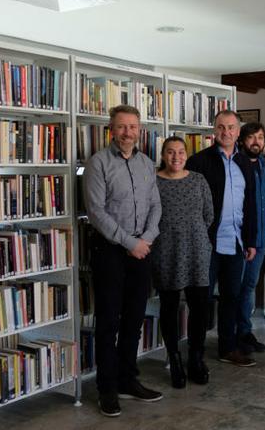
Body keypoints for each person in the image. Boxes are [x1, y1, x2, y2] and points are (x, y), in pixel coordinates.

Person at [83, 105, 163, 417]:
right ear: (111, 130)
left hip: (142, 249)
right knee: (108, 322)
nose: (127, 132)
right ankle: (107, 389)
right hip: (111, 252)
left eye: (132, 127)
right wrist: (130, 243)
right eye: (121, 127)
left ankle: (128, 380)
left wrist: (147, 239)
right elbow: (96, 212)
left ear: (139, 130)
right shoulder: (98, 163)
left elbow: (156, 205)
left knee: (134, 319)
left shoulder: (146, 163)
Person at [186, 110, 258, 367]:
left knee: (232, 297)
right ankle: (195, 352)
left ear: (238, 132)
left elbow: (250, 203)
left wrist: (251, 240)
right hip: (207, 244)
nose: (226, 132)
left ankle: (227, 348)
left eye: (231, 127)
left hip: (236, 241)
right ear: (214, 131)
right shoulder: (198, 162)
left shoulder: (246, 164)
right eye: (221, 127)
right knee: (200, 299)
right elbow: (190, 205)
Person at [151, 137, 213, 389]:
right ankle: (174, 359)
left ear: (186, 155)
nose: (176, 157)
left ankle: (196, 358)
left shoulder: (198, 180)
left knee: (199, 307)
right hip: (166, 251)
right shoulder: (153, 182)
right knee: (169, 306)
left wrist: (193, 234)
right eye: (170, 152)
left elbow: (209, 215)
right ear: (163, 155)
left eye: (180, 152)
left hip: (197, 249)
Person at [237, 122, 265, 354]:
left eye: (260, 137)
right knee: (235, 287)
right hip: (240, 238)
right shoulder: (235, 164)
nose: (256, 142)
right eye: (251, 137)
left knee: (249, 286)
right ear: (242, 140)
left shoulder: (262, 165)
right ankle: (234, 335)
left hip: (259, 237)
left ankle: (245, 332)